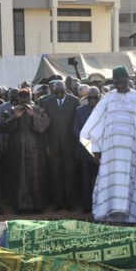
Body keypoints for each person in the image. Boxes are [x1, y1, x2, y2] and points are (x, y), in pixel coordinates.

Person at [81, 66, 136, 223]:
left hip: (133, 154)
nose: (119, 86)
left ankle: (131, 219)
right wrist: (96, 150)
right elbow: (95, 125)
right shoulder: (107, 99)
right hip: (111, 156)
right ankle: (108, 216)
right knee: (111, 184)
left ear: (128, 80)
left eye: (122, 82)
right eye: (116, 83)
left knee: (132, 185)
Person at [2, 88, 50, 214]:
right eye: (22, 99)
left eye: (26, 99)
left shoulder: (38, 110)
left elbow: (44, 126)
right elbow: (5, 128)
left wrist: (33, 115)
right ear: (18, 99)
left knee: (36, 177)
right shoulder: (12, 111)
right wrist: (15, 117)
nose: (24, 102)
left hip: (35, 151)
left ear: (30, 98)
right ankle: (21, 207)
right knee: (19, 178)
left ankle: (37, 206)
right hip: (18, 152)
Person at [40, 80, 80, 212]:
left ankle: (69, 202)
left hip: (69, 145)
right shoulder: (48, 102)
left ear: (66, 90)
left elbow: (76, 123)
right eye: (56, 92)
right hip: (53, 145)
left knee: (70, 175)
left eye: (61, 92)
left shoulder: (74, 101)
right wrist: (46, 145)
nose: (59, 95)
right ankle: (57, 203)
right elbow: (45, 126)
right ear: (53, 91)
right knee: (55, 175)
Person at [72, 86, 101, 214]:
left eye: (95, 97)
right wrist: (87, 142)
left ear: (99, 96)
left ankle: (100, 204)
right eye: (90, 98)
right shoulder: (79, 111)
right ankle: (87, 205)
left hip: (102, 151)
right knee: (86, 180)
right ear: (86, 98)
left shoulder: (105, 110)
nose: (93, 100)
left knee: (101, 180)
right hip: (85, 151)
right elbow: (75, 129)